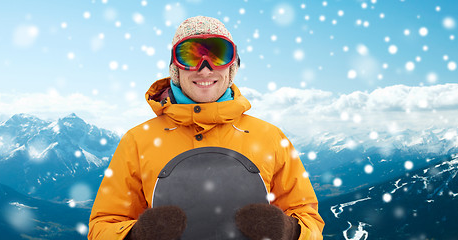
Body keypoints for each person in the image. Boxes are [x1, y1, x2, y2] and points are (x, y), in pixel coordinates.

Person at [88, 16, 324, 240]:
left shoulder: (270, 138)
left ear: (232, 67)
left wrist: (290, 231)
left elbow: (310, 220)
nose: (204, 69)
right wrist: (136, 235)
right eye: (190, 56)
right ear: (175, 68)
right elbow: (102, 227)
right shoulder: (138, 141)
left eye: (218, 55)